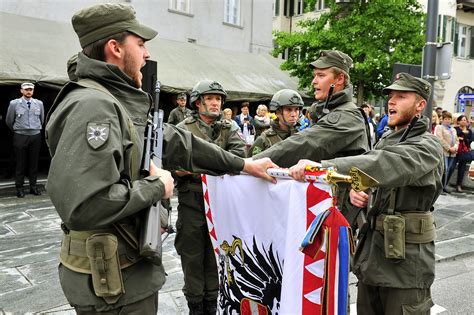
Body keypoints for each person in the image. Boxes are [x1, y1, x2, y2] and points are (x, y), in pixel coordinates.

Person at [44, 4, 275, 314]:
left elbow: (181, 143)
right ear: (115, 48)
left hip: (122, 273)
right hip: (112, 286)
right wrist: (157, 186)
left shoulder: (114, 100)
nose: (146, 54)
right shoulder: (93, 106)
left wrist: (245, 165)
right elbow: (86, 205)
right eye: (140, 44)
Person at [289, 73, 444, 315]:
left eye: (401, 97)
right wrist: (359, 195)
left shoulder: (428, 146)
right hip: (372, 258)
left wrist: (327, 166)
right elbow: (374, 179)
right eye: (391, 97)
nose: (391, 102)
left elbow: (388, 164)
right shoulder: (386, 141)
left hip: (406, 265)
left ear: (420, 105)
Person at [253, 49, 370, 226]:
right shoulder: (328, 112)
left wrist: (246, 164)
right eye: (315, 75)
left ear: (339, 79)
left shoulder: (347, 116)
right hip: (322, 207)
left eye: (321, 75)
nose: (314, 81)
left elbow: (305, 143)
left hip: (336, 214)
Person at [174, 80, 246, 314]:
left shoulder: (229, 127)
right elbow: (177, 164)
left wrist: (197, 164)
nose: (216, 103)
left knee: (219, 254)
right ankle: (195, 306)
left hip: (221, 202)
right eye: (210, 98)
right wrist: (219, 164)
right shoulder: (184, 127)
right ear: (198, 102)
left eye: (218, 99)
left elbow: (237, 159)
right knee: (192, 256)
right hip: (191, 201)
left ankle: (213, 304)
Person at [6, 82, 45, 198]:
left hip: (35, 135)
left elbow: (41, 119)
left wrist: (35, 129)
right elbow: (9, 120)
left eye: (31, 90)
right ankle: (20, 188)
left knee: (33, 163)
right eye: (26, 90)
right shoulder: (14, 104)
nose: (29, 92)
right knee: (20, 163)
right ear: (21, 91)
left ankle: (33, 187)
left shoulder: (39, 103)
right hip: (20, 135)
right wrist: (18, 130)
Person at [249, 89, 303, 157]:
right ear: (277, 112)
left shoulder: (302, 136)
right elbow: (251, 163)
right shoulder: (264, 140)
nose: (293, 114)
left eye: (296, 109)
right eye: (289, 109)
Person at [435, 111, 458, 192]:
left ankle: (444, 186)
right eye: (446, 119)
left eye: (449, 119)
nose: (448, 120)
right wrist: (449, 148)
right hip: (444, 152)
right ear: (443, 119)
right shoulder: (439, 127)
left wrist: (455, 147)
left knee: (450, 169)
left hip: (452, 153)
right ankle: (440, 187)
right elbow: (440, 139)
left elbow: (457, 140)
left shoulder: (453, 129)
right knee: (444, 169)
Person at [453, 114, 473, 192]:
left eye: (465, 120)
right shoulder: (455, 129)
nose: (464, 121)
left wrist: (462, 137)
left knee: (462, 169)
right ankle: (445, 183)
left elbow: (470, 140)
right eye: (462, 120)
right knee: (450, 168)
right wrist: (462, 133)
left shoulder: (469, 130)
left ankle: (459, 185)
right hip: (455, 151)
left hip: (464, 152)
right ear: (458, 121)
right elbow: (455, 137)